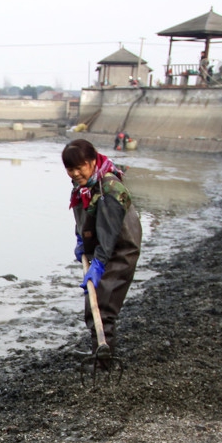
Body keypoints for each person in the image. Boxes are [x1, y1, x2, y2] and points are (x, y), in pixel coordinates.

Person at [63, 138, 142, 359]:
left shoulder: (109, 188)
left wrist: (98, 262)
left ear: (91, 161)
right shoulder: (84, 187)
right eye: (70, 169)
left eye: (80, 167)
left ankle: (105, 360)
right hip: (102, 248)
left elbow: (109, 232)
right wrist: (80, 240)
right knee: (93, 301)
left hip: (120, 250)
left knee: (103, 306)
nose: (76, 173)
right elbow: (84, 218)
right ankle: (98, 349)